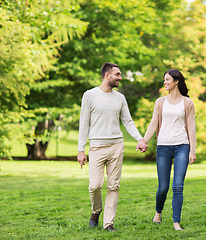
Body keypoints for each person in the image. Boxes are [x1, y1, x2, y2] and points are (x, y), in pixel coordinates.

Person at [77, 62, 147, 232]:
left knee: (113, 186)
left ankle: (108, 223)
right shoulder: (90, 95)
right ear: (107, 75)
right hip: (96, 147)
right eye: (117, 74)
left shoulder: (120, 98)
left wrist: (140, 139)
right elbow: (84, 123)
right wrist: (81, 150)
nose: (120, 78)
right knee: (94, 186)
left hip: (116, 146)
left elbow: (128, 121)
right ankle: (96, 211)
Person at [139, 69, 196, 230]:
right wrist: (144, 140)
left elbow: (191, 127)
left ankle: (176, 222)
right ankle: (158, 212)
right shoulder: (160, 102)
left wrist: (193, 150)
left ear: (176, 81)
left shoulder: (187, 103)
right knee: (163, 187)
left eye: (167, 79)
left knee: (178, 186)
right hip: (163, 146)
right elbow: (153, 123)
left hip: (181, 147)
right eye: (164, 80)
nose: (165, 82)